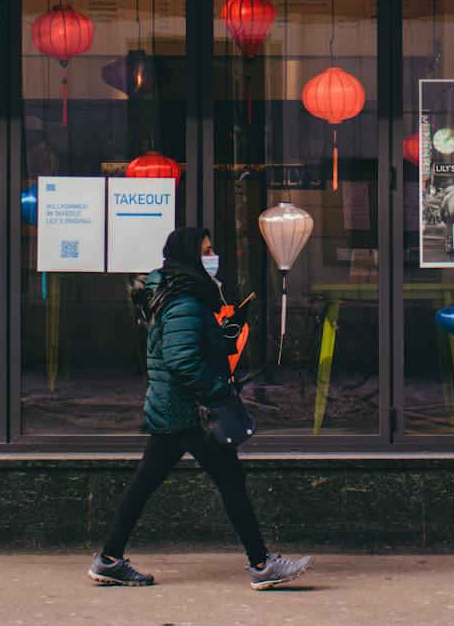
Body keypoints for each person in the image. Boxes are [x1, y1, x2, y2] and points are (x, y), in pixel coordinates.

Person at [88, 226, 312, 591]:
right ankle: (262, 564)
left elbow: (184, 346)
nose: (212, 257)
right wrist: (216, 394)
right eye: (206, 250)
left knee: (146, 483)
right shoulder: (185, 300)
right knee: (230, 481)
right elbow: (181, 359)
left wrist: (222, 335)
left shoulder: (181, 294)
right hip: (188, 410)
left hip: (175, 410)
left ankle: (109, 559)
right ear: (190, 255)